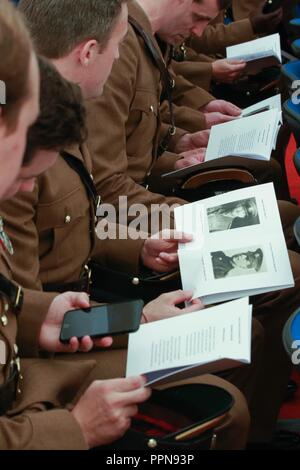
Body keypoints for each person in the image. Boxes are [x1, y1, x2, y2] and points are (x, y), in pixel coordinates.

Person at [0, 0, 254, 450]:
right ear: (88, 50)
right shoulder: (27, 147)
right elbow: (112, 191)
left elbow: (86, 218)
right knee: (223, 397)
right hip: (44, 360)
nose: (120, 60)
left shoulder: (55, 112)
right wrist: (73, 429)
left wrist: (140, 244)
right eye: (117, 48)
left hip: (74, 311)